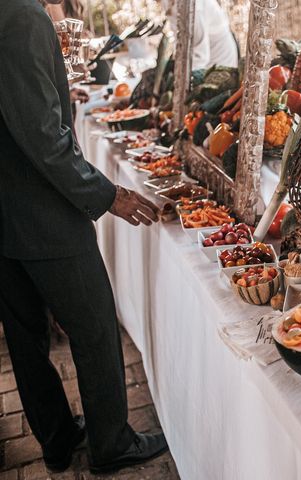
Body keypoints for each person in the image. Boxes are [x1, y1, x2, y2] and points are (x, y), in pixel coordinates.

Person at [0, 0, 168, 474]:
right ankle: (111, 443)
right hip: (43, 210)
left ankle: (56, 439)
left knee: (25, 336)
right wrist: (106, 193)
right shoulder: (23, 15)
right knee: (94, 325)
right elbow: (43, 137)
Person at [163, 0, 239, 69]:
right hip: (202, 57)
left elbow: (200, 57)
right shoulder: (168, 2)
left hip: (219, 61)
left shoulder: (192, 8)